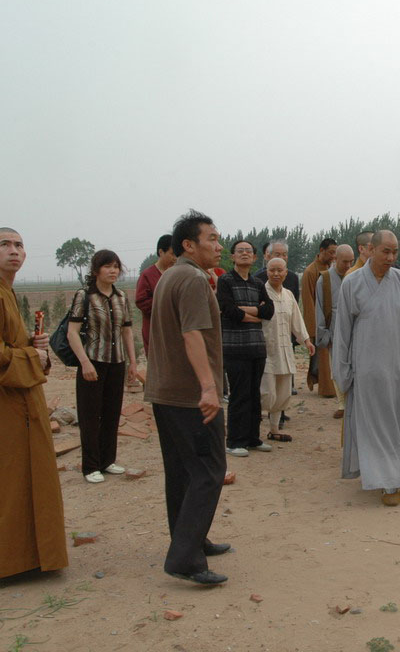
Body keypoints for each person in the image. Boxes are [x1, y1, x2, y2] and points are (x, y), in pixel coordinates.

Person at [0, 228, 68, 580]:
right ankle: (6, 561)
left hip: (17, 396)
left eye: (19, 245)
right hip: (3, 402)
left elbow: (5, 345)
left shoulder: (4, 291)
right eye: (4, 245)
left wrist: (31, 345)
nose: (14, 250)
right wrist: (32, 356)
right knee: (6, 477)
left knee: (12, 475)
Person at [144, 210, 231, 585]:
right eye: (211, 238)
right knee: (209, 472)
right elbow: (192, 335)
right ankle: (185, 559)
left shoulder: (170, 275)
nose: (219, 245)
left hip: (166, 392)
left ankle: (191, 540)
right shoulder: (193, 279)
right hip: (190, 396)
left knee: (181, 472)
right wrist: (209, 388)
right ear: (189, 245)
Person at [333, 230, 400, 506]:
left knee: (398, 422)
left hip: (399, 367)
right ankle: (388, 481)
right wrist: (343, 371)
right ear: (371, 250)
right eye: (385, 251)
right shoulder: (352, 283)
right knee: (375, 425)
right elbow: (343, 332)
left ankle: (396, 472)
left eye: (395, 252)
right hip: (368, 368)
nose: (390, 257)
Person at [67, 250, 137, 483]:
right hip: (92, 361)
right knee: (89, 415)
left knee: (111, 413)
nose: (113, 271)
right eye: (107, 266)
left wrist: (132, 362)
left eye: (116, 266)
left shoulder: (121, 297)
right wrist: (84, 362)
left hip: (116, 362)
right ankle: (90, 466)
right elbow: (72, 333)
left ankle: (108, 460)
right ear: (96, 270)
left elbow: (127, 331)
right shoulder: (84, 296)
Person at [218, 240, 275, 457]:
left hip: (256, 348)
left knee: (254, 395)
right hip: (235, 348)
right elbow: (228, 310)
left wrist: (247, 312)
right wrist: (256, 314)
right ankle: (234, 441)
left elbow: (269, 311)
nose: (244, 254)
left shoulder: (258, 283)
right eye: (240, 251)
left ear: (254, 257)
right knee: (239, 395)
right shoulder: (225, 281)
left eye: (248, 251)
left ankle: (253, 438)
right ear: (232, 256)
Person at [261, 258, 315, 442]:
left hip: (285, 350)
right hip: (266, 350)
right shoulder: (261, 293)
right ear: (267, 271)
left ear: (285, 272)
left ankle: (274, 430)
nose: (276, 274)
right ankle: (251, 427)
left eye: (280, 270)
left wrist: (306, 340)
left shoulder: (289, 295)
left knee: (283, 393)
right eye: (272, 270)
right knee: (267, 393)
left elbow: (296, 321)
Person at [316, 244, 354, 419]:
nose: (348, 265)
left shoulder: (355, 277)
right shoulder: (324, 279)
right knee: (337, 368)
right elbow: (319, 309)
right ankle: (342, 404)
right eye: (344, 261)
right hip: (334, 331)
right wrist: (324, 335)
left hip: (354, 330)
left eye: (351, 261)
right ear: (335, 259)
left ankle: (354, 403)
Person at [301, 238, 337, 396]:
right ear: (322, 251)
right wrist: (313, 329)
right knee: (322, 357)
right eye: (331, 252)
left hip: (332, 320)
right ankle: (326, 389)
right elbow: (308, 302)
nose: (333, 256)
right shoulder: (310, 272)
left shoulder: (332, 269)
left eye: (335, 253)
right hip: (320, 321)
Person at [135, 234, 175, 355]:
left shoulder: (176, 273)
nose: (175, 258)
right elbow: (141, 302)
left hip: (174, 330)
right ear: (161, 252)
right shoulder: (147, 275)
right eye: (172, 254)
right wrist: (167, 302)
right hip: (155, 330)